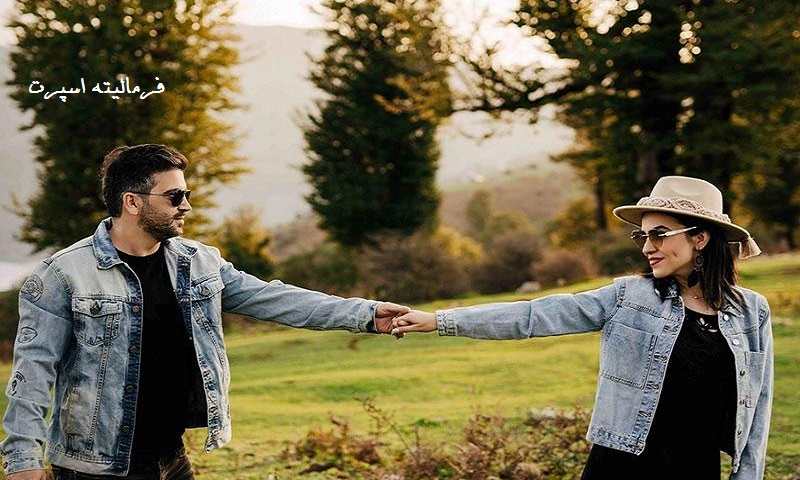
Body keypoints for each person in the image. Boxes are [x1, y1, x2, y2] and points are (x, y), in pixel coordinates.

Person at [0, 144, 409, 480]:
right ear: (132, 202)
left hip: (171, 458)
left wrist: (366, 314)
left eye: (187, 195)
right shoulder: (63, 274)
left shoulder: (197, 263)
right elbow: (32, 373)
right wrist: (23, 461)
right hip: (96, 467)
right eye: (174, 197)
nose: (187, 207)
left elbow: (279, 300)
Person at [391, 176, 773, 479]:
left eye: (659, 234)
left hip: (696, 467)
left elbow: (758, 408)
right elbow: (533, 316)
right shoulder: (628, 296)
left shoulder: (751, 312)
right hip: (621, 464)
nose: (646, 247)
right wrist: (439, 320)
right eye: (642, 236)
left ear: (700, 238)